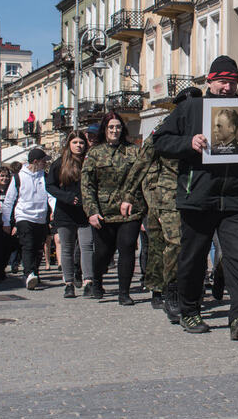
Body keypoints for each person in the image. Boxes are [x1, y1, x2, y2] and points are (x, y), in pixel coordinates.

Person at [153, 55, 238, 340]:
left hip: (235, 199)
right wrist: (188, 143)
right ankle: (190, 310)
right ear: (209, 81)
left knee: (237, 258)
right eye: (221, 82)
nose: (226, 88)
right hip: (198, 196)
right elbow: (161, 141)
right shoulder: (191, 108)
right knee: (193, 258)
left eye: (231, 82)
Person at [121, 87, 202, 317]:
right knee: (174, 244)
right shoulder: (164, 130)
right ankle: (171, 291)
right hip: (169, 194)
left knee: (195, 246)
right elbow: (142, 163)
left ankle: (190, 290)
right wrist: (128, 196)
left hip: (200, 191)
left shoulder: (209, 126)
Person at [81, 113, 144, 305]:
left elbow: (142, 179)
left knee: (126, 248)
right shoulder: (95, 153)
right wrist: (91, 211)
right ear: (105, 130)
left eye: (117, 127)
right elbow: (87, 185)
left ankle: (124, 292)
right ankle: (97, 281)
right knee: (103, 252)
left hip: (129, 209)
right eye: (111, 127)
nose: (114, 131)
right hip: (104, 211)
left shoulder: (134, 151)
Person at [47, 130, 94, 298]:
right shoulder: (59, 164)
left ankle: (89, 281)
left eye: (81, 142)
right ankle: (69, 283)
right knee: (66, 248)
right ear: (69, 145)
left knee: (86, 246)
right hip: (65, 212)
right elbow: (50, 186)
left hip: (85, 212)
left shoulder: (89, 162)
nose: (78, 146)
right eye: (75, 143)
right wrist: (67, 197)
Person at [2, 149, 52, 290]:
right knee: (28, 244)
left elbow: (51, 196)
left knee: (38, 248)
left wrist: (53, 209)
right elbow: (9, 200)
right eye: (43, 161)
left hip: (41, 217)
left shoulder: (45, 177)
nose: (45, 163)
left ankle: (34, 272)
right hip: (24, 216)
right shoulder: (18, 177)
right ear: (36, 162)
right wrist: (6, 221)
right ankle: (28, 273)